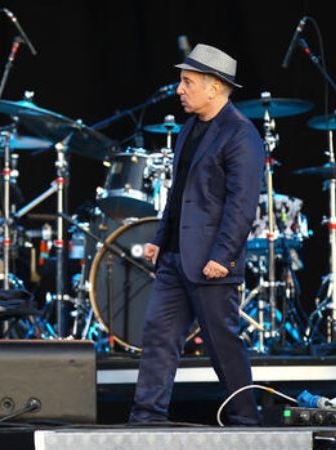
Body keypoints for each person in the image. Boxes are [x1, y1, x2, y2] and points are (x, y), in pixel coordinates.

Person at [128, 44, 264, 425]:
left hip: (211, 261)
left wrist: (223, 256)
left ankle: (247, 421)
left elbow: (241, 205)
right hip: (175, 257)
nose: (179, 89)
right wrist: (161, 237)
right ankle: (146, 418)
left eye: (187, 82)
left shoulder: (241, 135)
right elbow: (179, 192)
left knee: (223, 345)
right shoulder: (189, 128)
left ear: (214, 87)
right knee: (158, 335)